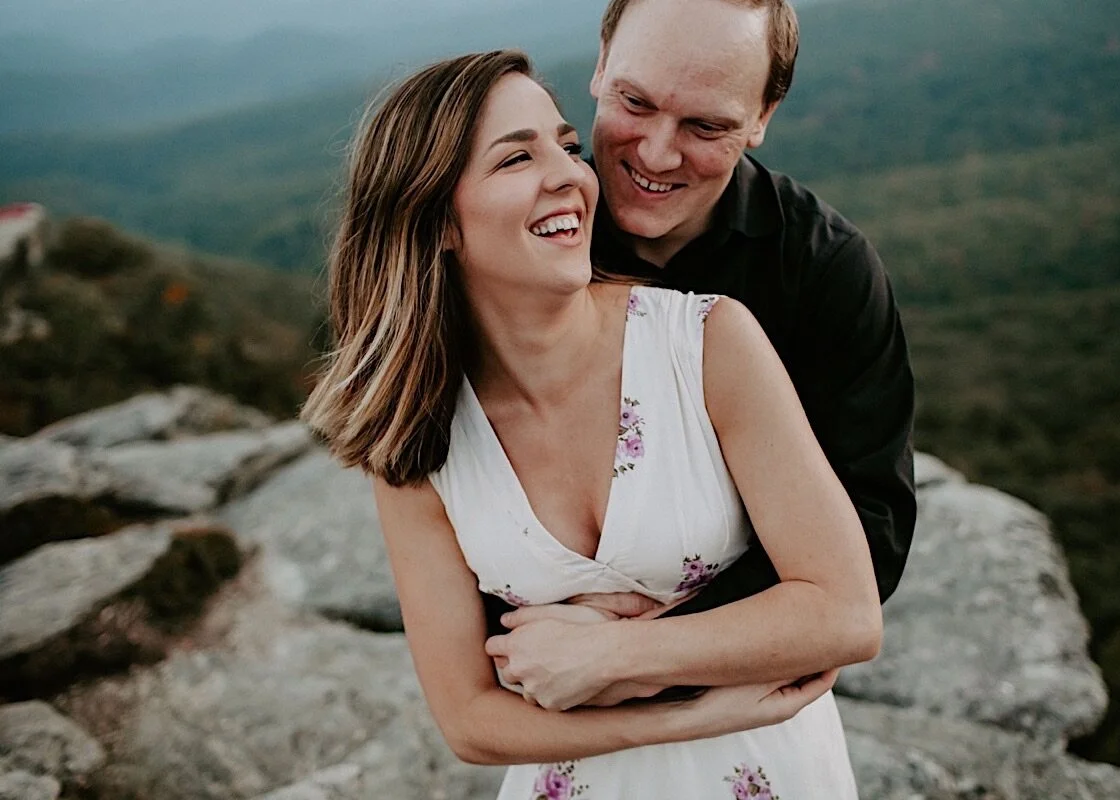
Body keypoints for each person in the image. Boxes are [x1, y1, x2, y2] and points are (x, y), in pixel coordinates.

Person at [302, 49, 879, 797]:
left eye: (567, 146)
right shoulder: (416, 435)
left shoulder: (707, 344)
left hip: (771, 771)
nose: (570, 176)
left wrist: (613, 655)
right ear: (436, 222)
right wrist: (678, 719)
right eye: (516, 158)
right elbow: (469, 719)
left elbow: (845, 612)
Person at [480, 0, 916, 699]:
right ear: (599, 67)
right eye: (635, 102)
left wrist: (638, 651)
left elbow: (872, 533)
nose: (656, 153)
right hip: (547, 699)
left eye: (705, 125)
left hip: (746, 699)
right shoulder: (517, 242)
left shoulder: (825, 272)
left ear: (763, 116)